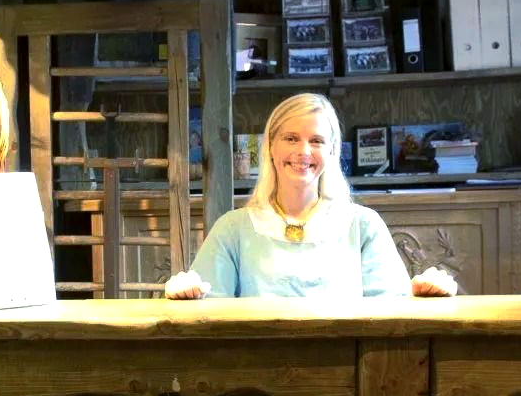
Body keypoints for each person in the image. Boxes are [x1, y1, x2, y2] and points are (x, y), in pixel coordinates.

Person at [164, 93, 457, 300]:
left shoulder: (364, 226)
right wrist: (185, 293)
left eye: (316, 141)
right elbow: (206, 311)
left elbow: (393, 308)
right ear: (271, 147)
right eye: (291, 138)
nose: (303, 151)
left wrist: (427, 293)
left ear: (332, 151)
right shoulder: (232, 229)